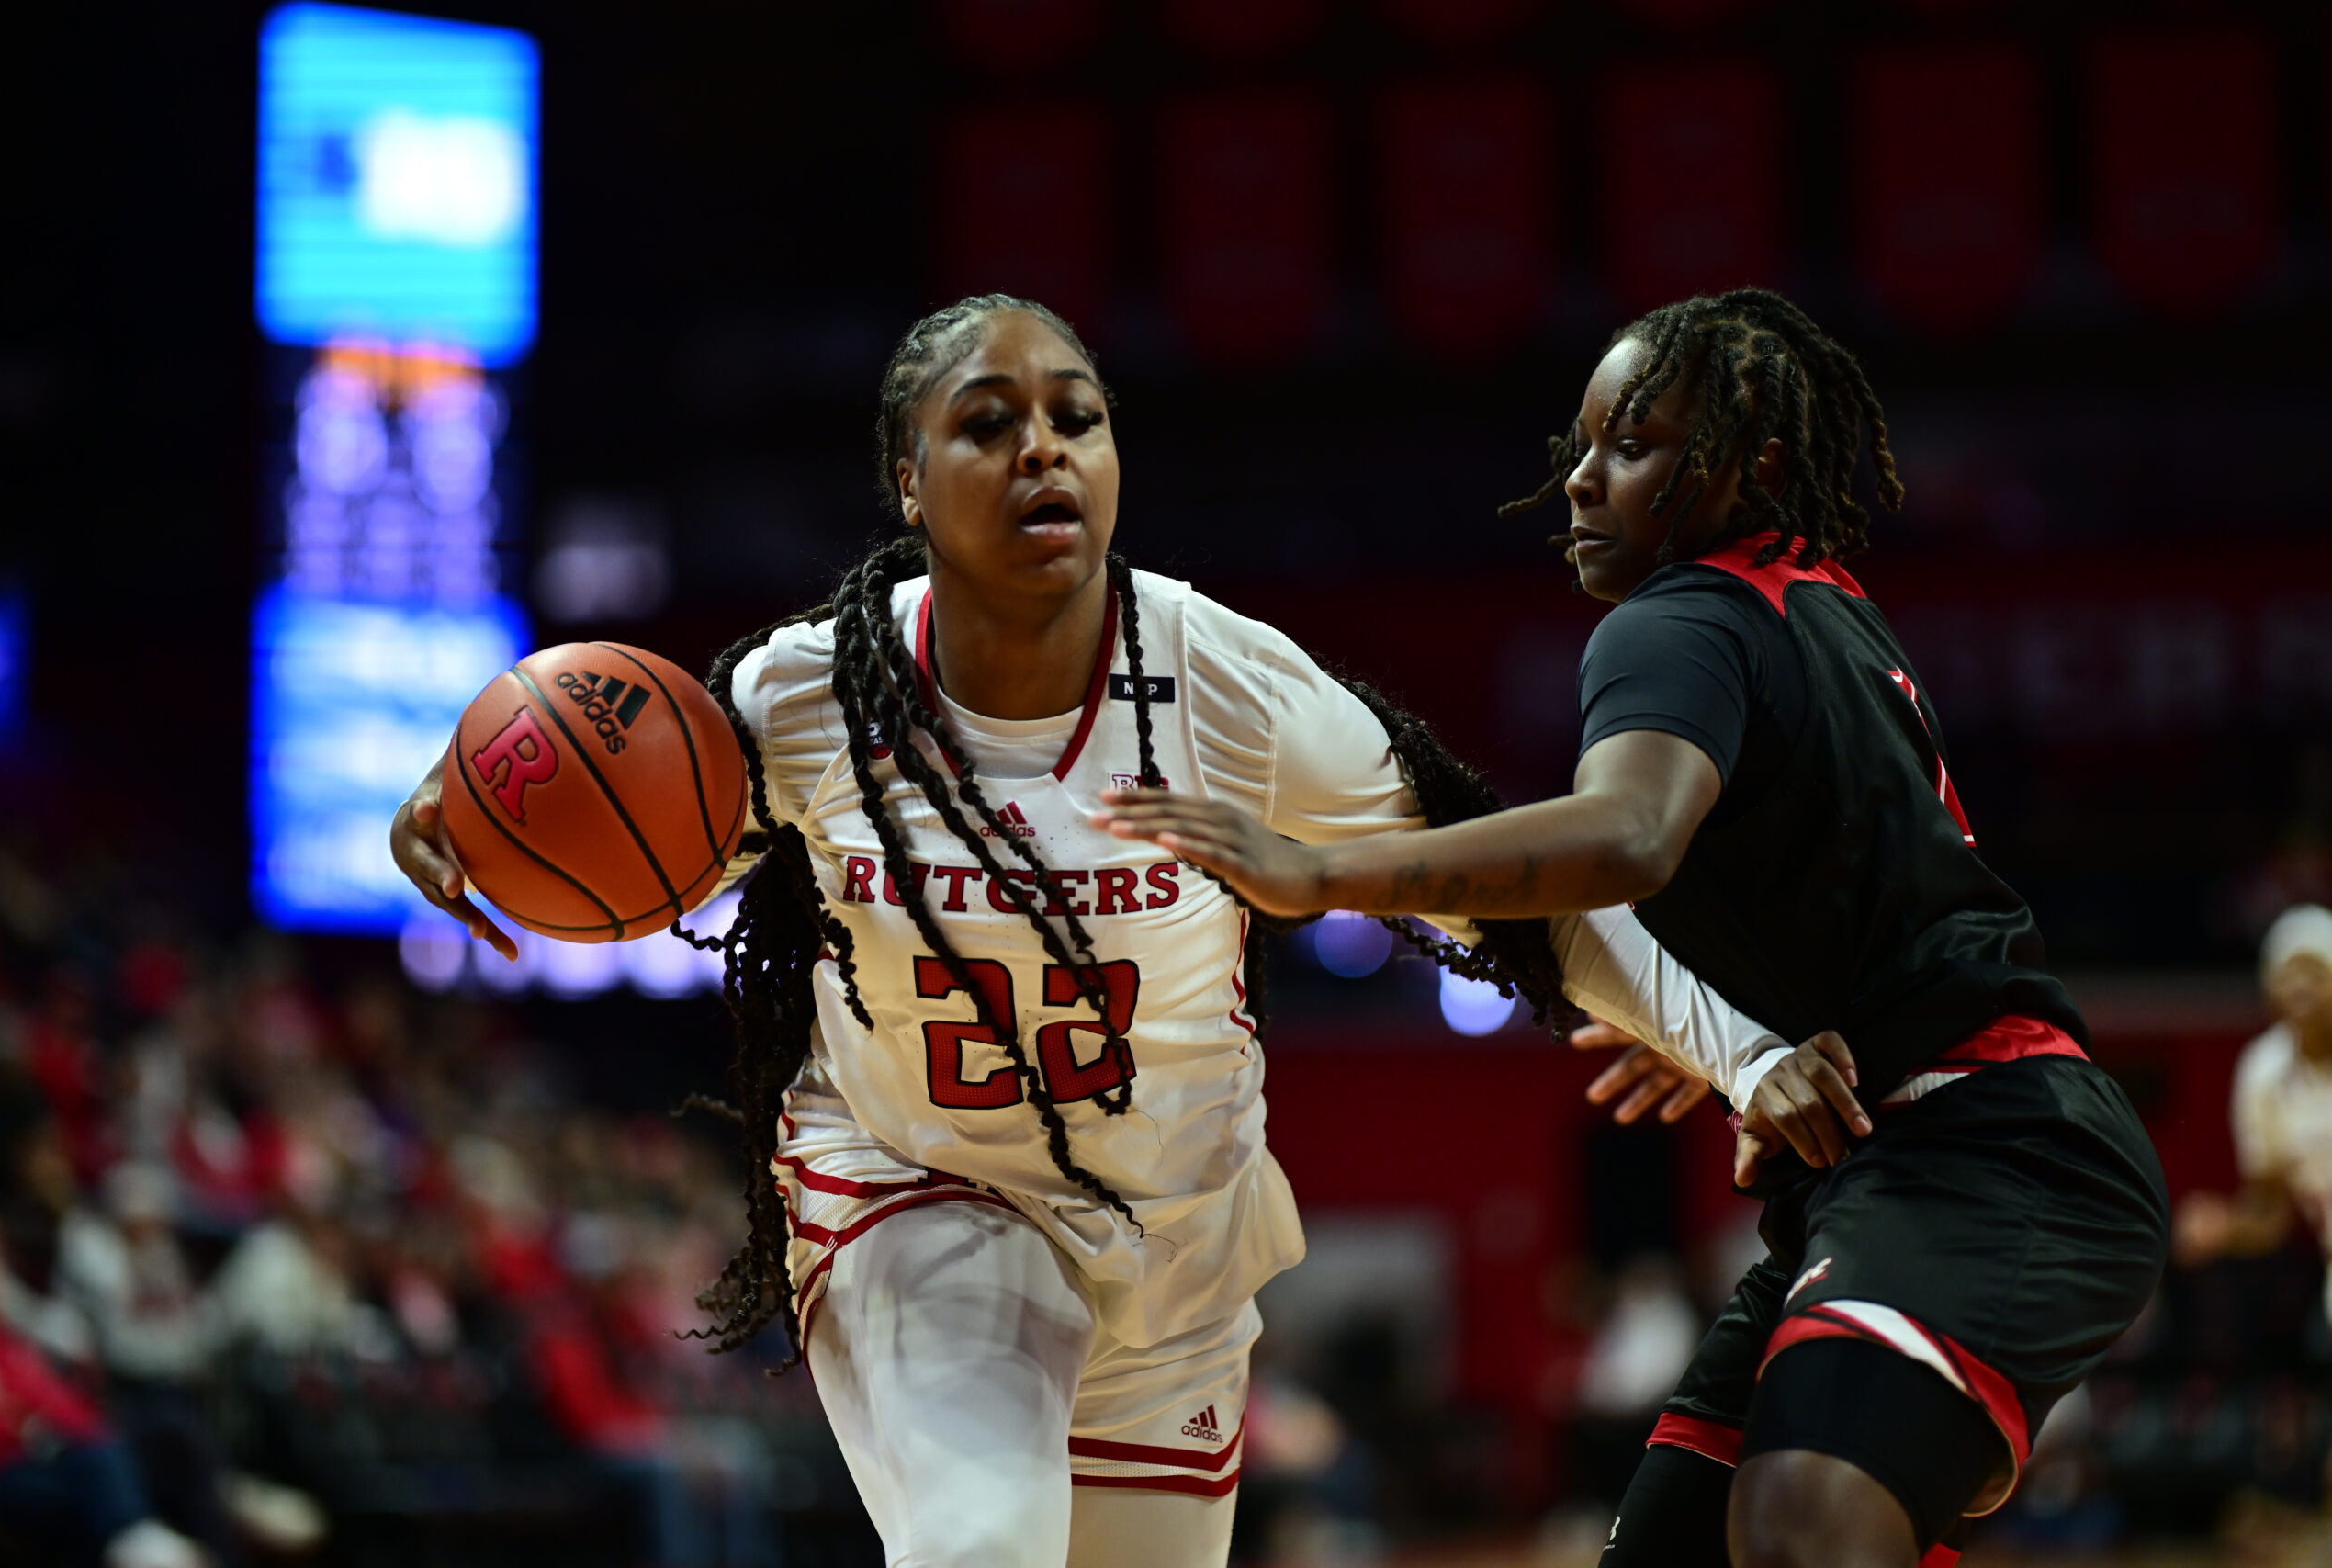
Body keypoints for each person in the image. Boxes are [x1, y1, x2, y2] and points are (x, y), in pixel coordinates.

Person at [392, 295, 1838, 1568]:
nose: (1045, 448)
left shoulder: (1232, 687)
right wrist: (462, 800)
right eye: (989, 421)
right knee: (983, 1542)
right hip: (916, 1187)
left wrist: (1743, 1049)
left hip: (1170, 1241)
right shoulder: (809, 695)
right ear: (909, 478)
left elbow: (1509, 888)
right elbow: (612, 788)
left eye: (1077, 416)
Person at [1093, 288, 2170, 1568]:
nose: (1586, 483)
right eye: (1582, 448)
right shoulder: (1816, 600)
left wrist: (1317, 867)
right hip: (1922, 1156)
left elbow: (1626, 835)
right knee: (1678, 1542)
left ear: (1752, 467)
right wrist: (1730, 1023)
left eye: (1634, 446)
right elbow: (1851, 878)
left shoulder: (1678, 620)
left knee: (1799, 1524)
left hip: (1983, 1143)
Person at [2176, 906, 2332, 1309]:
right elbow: (2272, 1212)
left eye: (2314, 972)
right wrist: (2224, 1227)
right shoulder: (2263, 1071)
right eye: (2286, 974)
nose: (2300, 988)